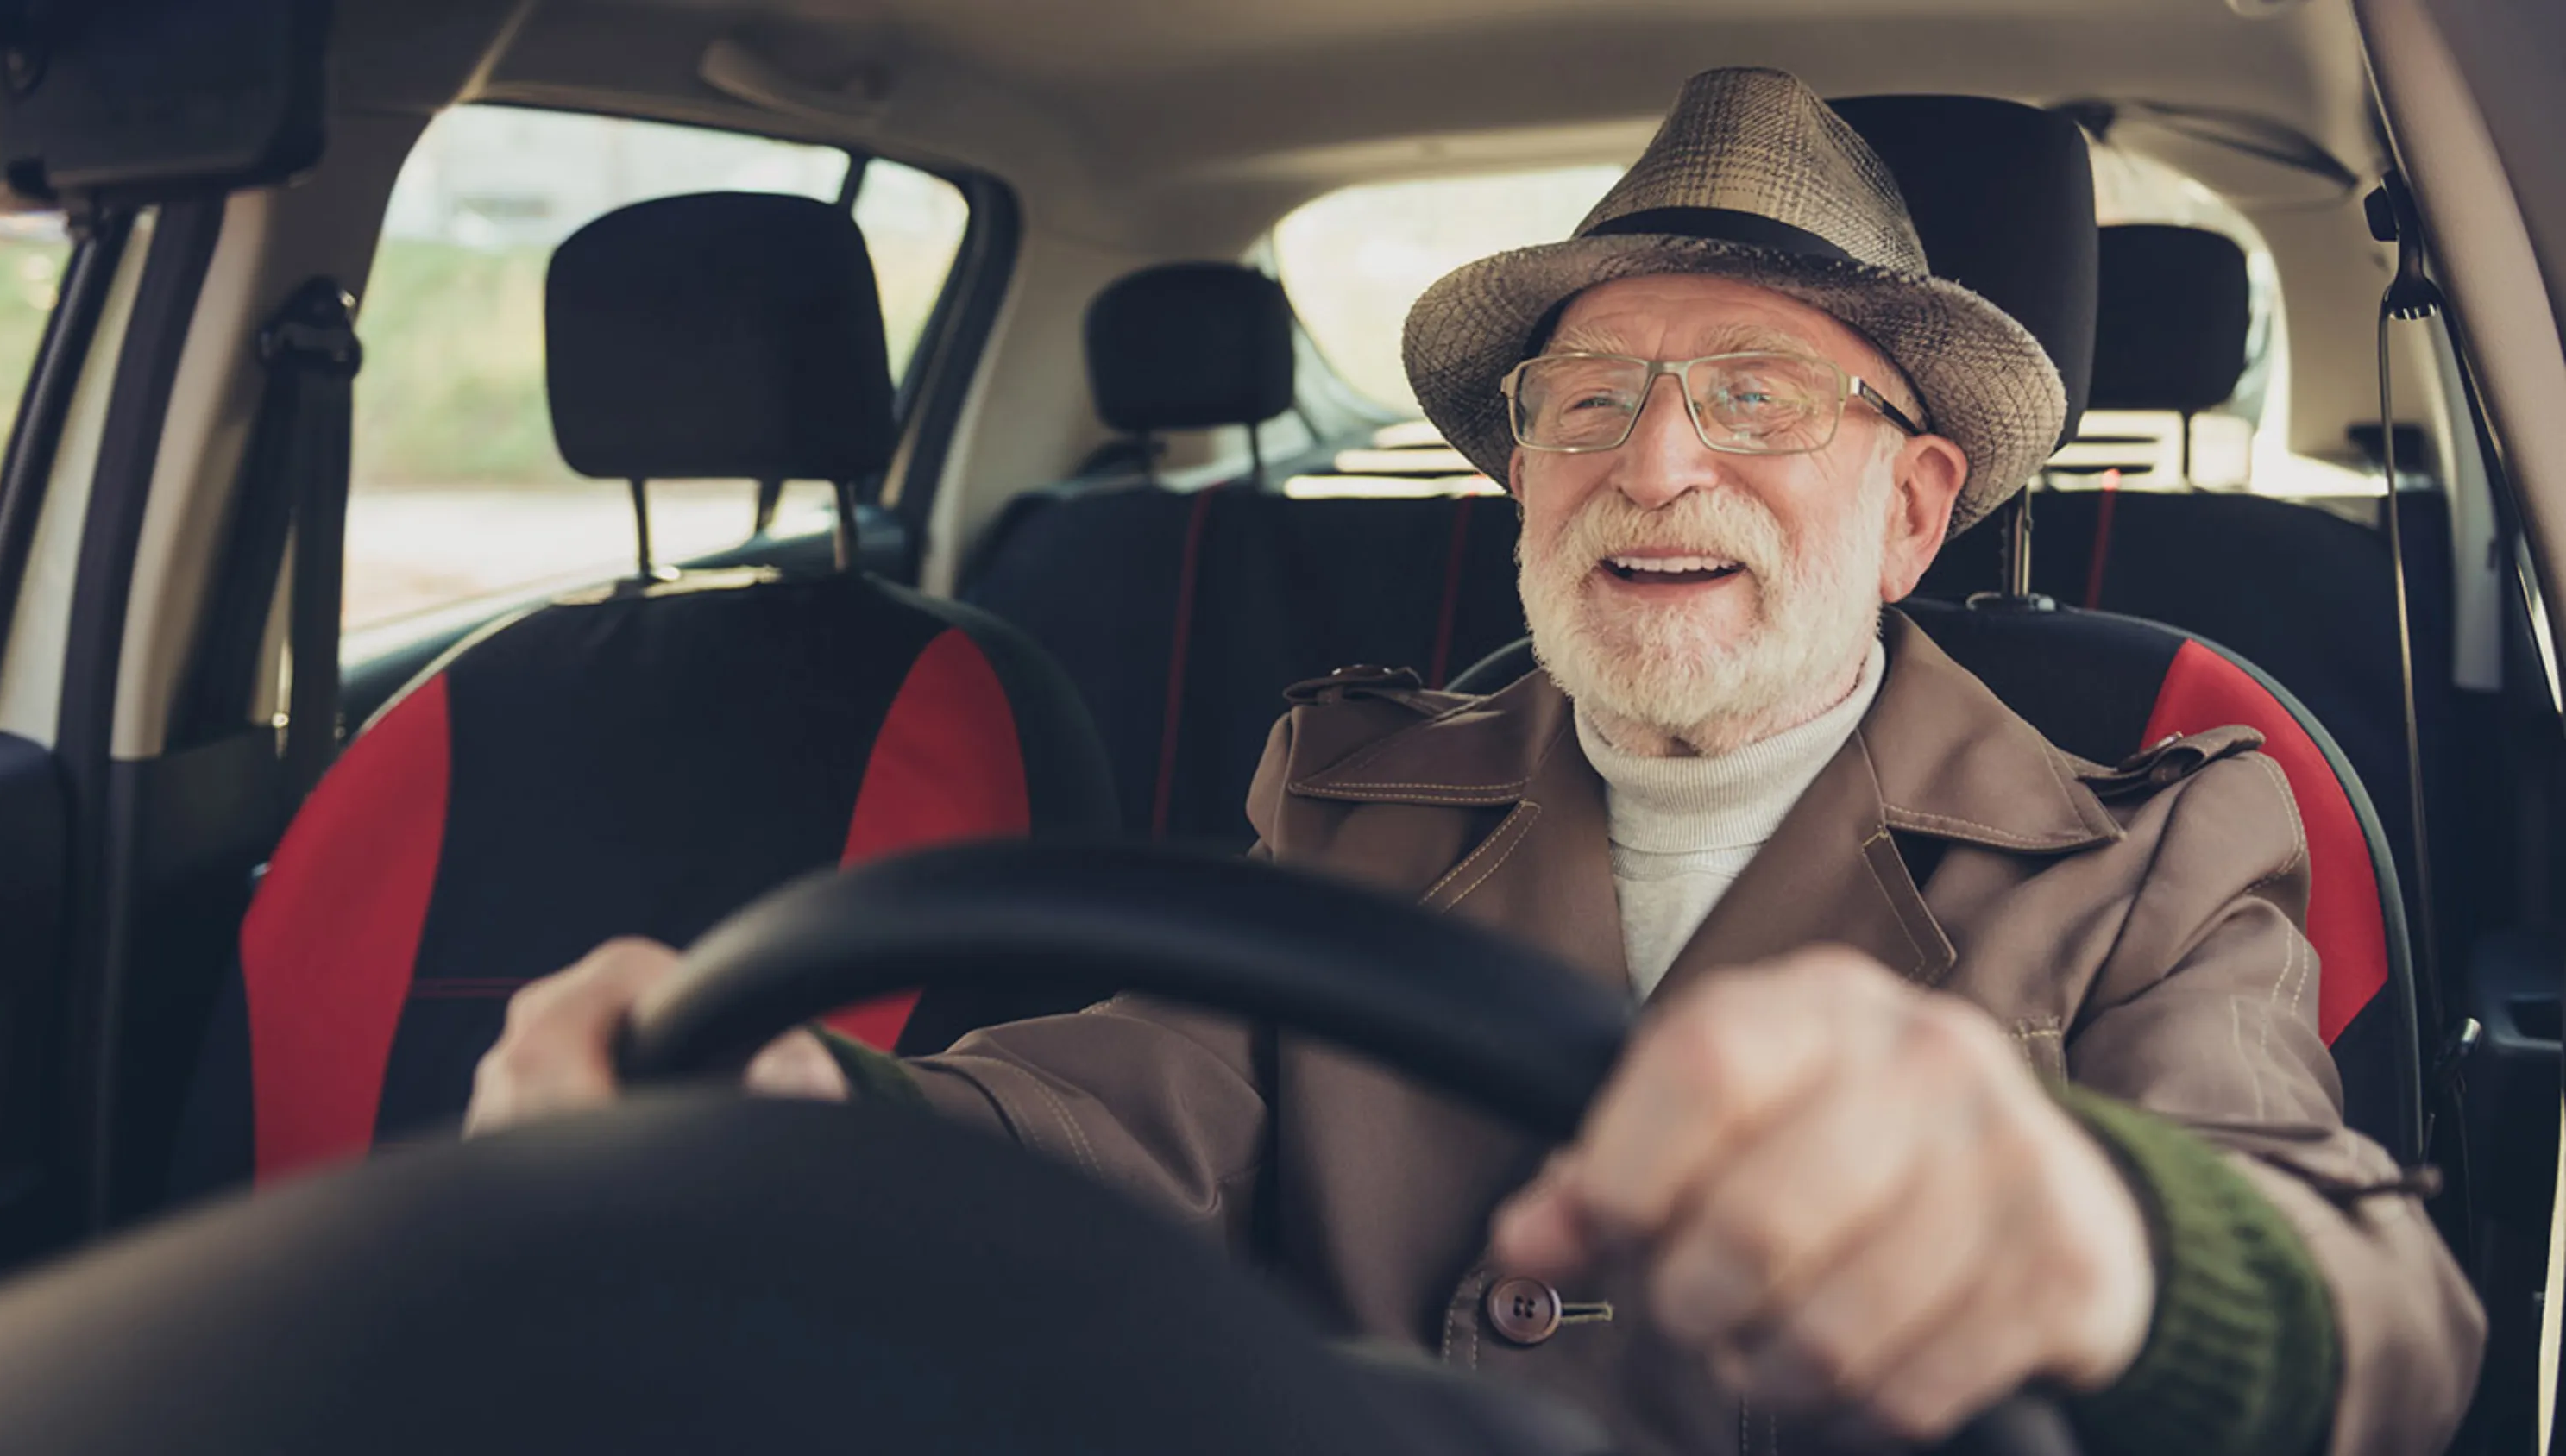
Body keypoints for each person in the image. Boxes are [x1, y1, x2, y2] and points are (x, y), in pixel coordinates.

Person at [465, 67, 2481, 1456]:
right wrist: (814, 1111)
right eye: (1586, 397)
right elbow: (1124, 1107)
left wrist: (2108, 1233)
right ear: (1524, 477)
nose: (1654, 460)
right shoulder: (1348, 781)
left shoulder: (2153, 842)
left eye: (1757, 395)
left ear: (1913, 508)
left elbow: (2391, 1317)